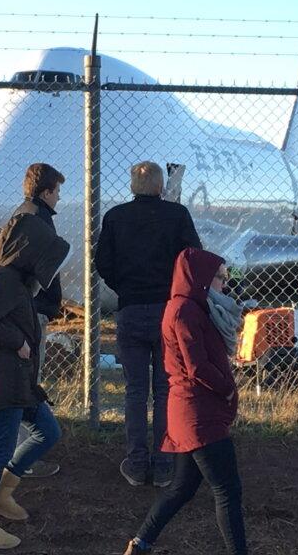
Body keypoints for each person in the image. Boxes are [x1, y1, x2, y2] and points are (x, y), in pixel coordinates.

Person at [123, 248, 247, 555]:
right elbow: (196, 366)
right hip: (198, 414)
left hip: (194, 413)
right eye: (220, 277)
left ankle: (140, 544)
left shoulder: (191, 307)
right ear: (202, 278)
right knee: (227, 490)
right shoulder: (185, 311)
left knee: (181, 488)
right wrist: (227, 388)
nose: (224, 284)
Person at [0, 210, 70, 549]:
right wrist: (20, 342)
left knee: (48, 432)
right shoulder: (3, 280)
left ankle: (2, 492)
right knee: (0, 447)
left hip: (18, 379)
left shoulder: (15, 279)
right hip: (2, 379)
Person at [96, 161, 201, 488]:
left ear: (132, 186)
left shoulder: (115, 217)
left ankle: (137, 462)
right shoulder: (177, 216)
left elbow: (103, 263)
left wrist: (125, 288)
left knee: (135, 390)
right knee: (166, 388)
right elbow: (192, 256)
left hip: (130, 309)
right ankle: (164, 461)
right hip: (166, 310)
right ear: (161, 186)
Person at [10, 162, 66, 478]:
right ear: (46, 191)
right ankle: (22, 456)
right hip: (30, 310)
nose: (59, 198)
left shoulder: (25, 215)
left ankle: (20, 453)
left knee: (26, 378)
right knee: (26, 381)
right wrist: (42, 302)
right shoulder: (36, 220)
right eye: (57, 191)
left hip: (30, 308)